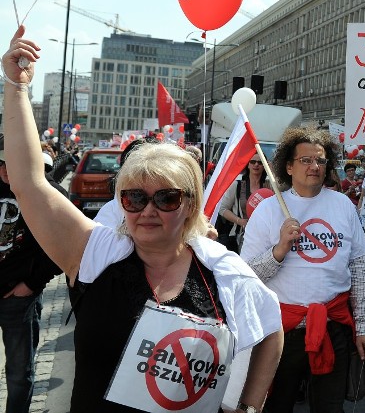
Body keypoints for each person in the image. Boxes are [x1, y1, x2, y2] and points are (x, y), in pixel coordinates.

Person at [1, 26, 284, 413]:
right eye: (134, 198)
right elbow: (29, 183)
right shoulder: (96, 252)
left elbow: (272, 329)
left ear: (189, 204)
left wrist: (250, 407)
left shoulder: (223, 270)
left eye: (165, 198)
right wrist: (16, 89)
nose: (148, 210)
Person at [240, 127, 365, 413]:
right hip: (279, 334)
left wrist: (364, 327)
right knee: (276, 406)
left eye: (320, 160)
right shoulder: (268, 210)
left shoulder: (342, 205)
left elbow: (360, 270)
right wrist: (279, 250)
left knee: (329, 408)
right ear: (288, 166)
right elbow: (246, 277)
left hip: (333, 328)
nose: (314, 166)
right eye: (305, 160)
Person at [0, 144, 63, 413]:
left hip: (18, 298)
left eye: (11, 163)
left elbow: (61, 247)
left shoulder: (49, 194)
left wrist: (32, 284)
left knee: (18, 372)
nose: (5, 169)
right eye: (1, 163)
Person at [218, 153, 271, 252]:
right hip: (240, 236)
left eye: (260, 162)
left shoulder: (270, 186)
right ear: (248, 164)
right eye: (252, 162)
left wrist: (273, 171)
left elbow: (283, 192)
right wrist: (240, 221)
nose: (256, 165)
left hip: (264, 236)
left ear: (264, 166)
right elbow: (222, 209)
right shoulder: (237, 186)